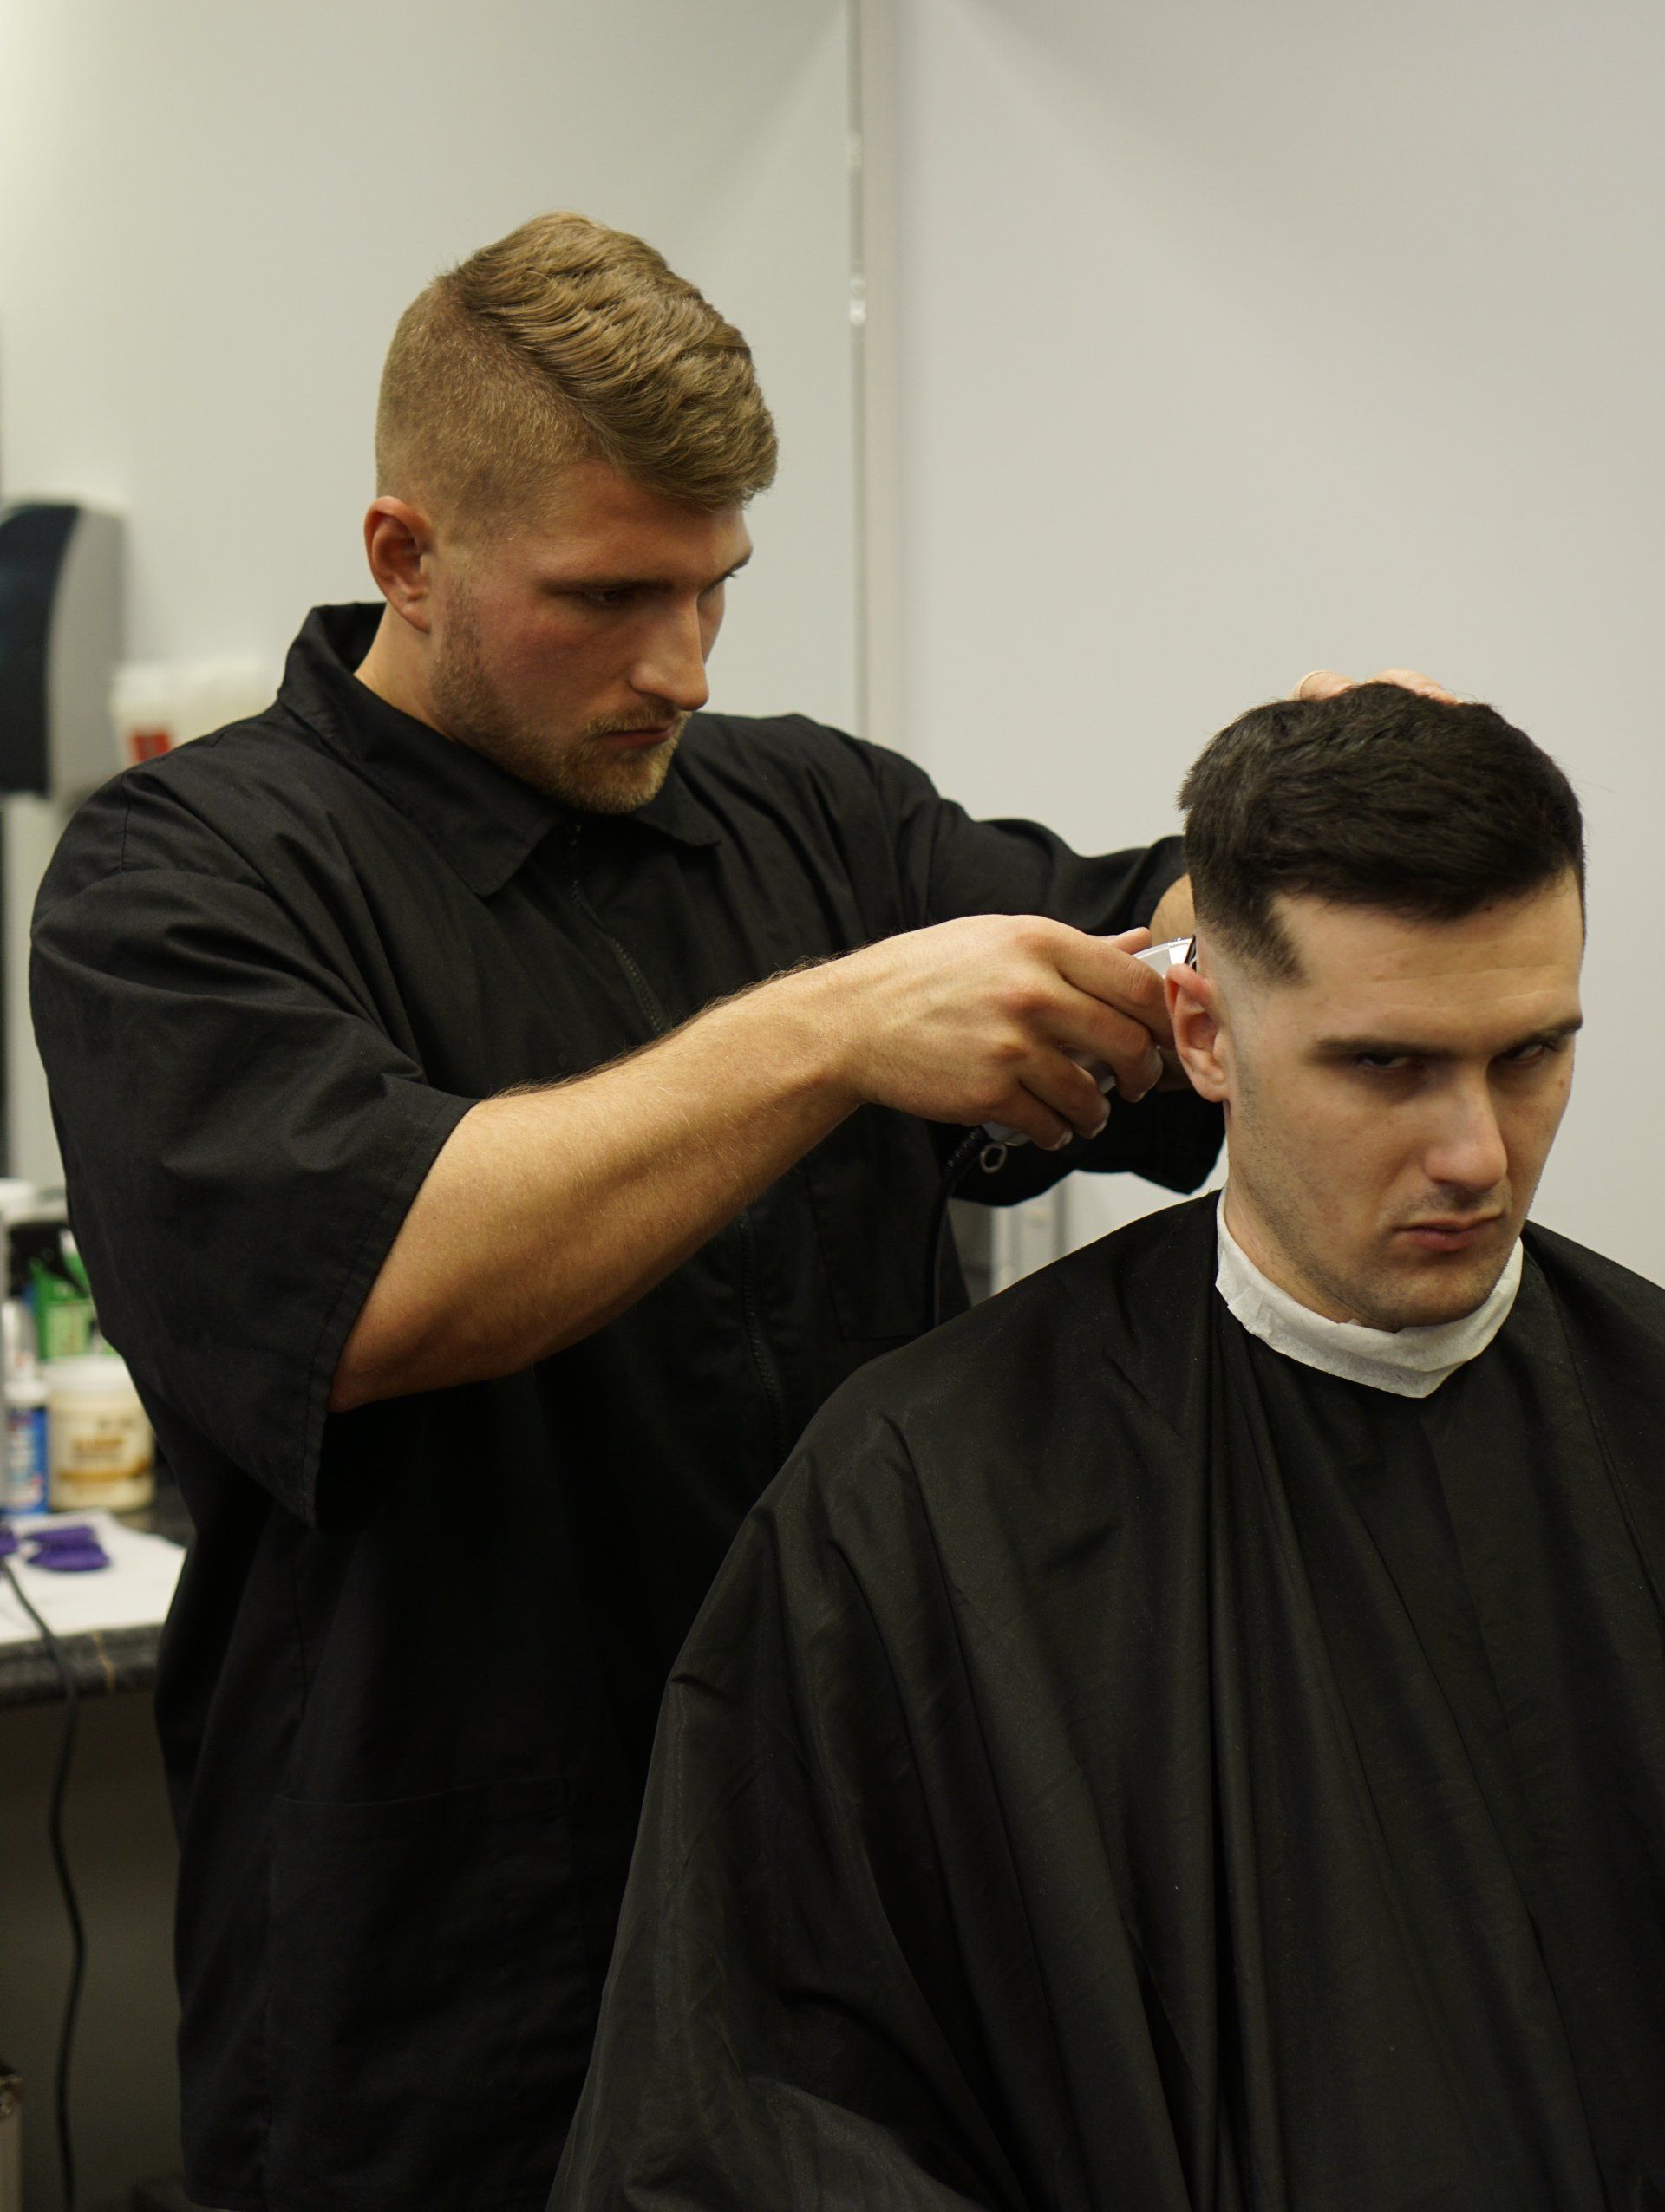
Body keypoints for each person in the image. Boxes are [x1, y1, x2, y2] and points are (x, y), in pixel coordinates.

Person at [28, 212, 1239, 2212]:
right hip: (445, 1988)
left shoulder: (816, 819)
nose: (678, 664)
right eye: (606, 597)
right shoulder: (185, 879)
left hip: (835, 1933)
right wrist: (833, 1033)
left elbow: (1145, 969)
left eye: (713, 588)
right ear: (406, 554)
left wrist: (1278, 870)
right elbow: (389, 1282)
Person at [552, 683, 1665, 2212]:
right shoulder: (926, 1499)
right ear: (1204, 1034)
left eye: (1530, 1054)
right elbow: (752, 2124)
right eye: (1386, 1066)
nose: (1478, 1153)